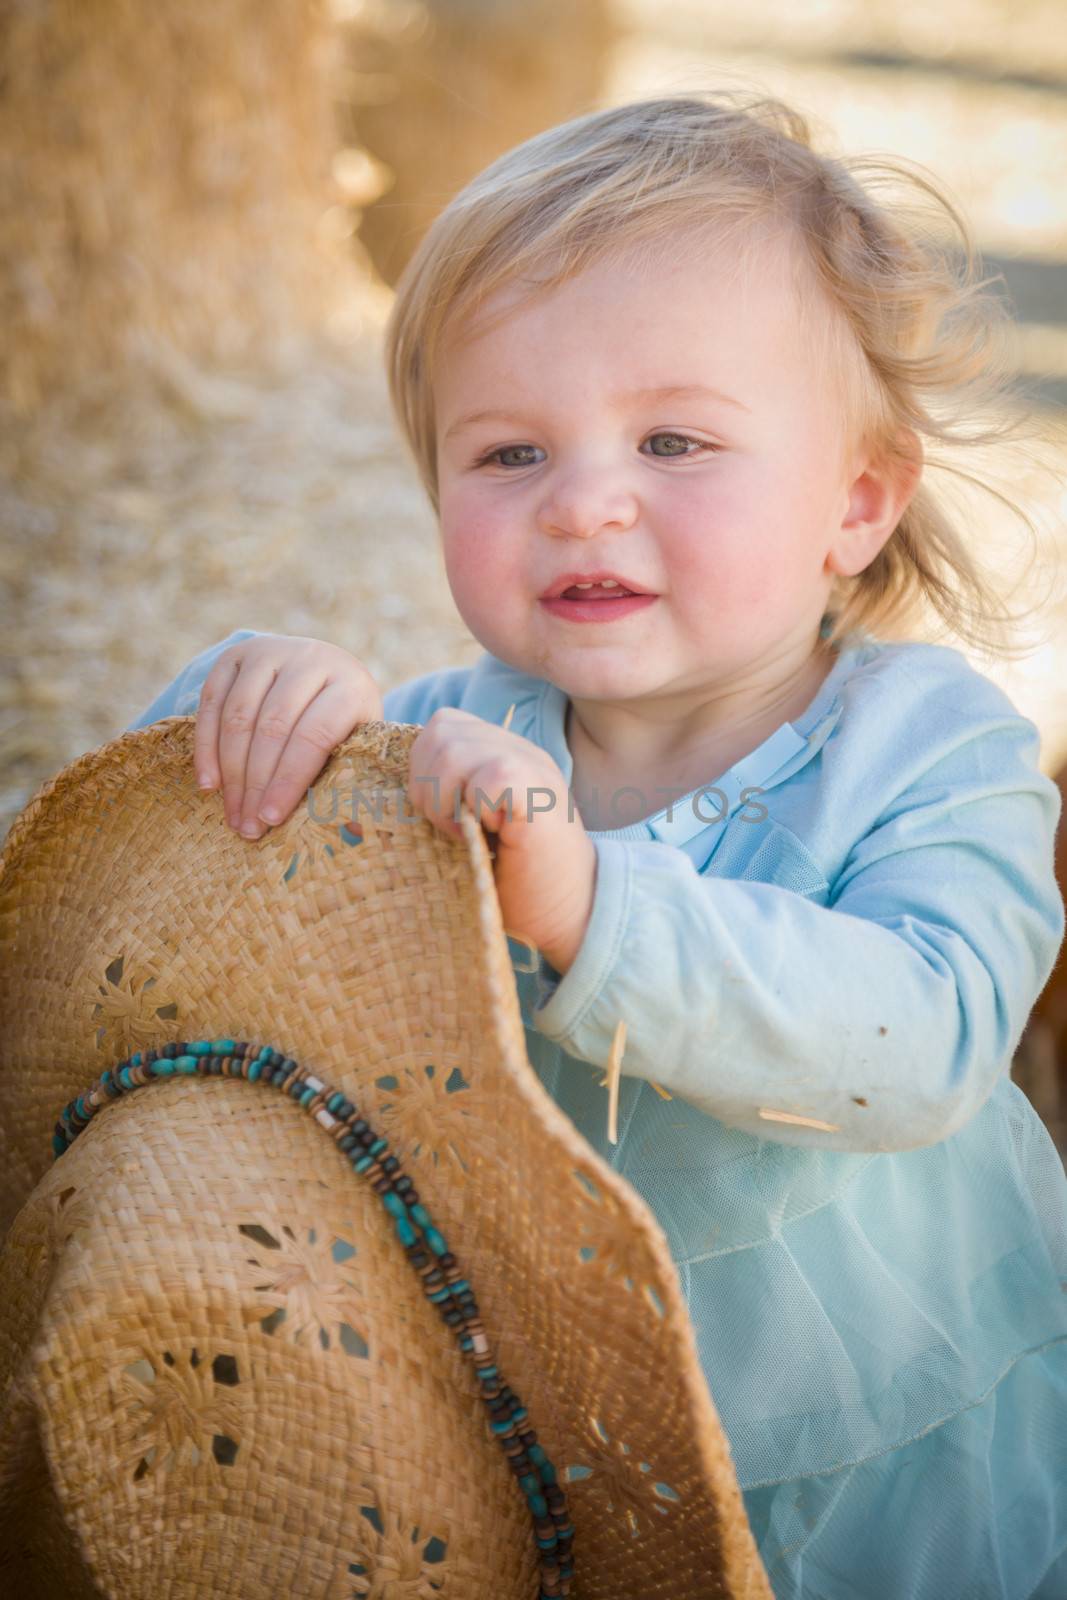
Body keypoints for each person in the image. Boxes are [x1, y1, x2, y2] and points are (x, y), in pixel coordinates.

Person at [125, 92, 1067, 1598]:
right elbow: (158, 949)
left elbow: (929, 1033)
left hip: (875, 1459)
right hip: (518, 1425)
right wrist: (236, 721)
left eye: (674, 438)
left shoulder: (930, 748)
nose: (580, 505)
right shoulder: (438, 746)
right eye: (506, 454)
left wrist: (597, 904)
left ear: (859, 498)